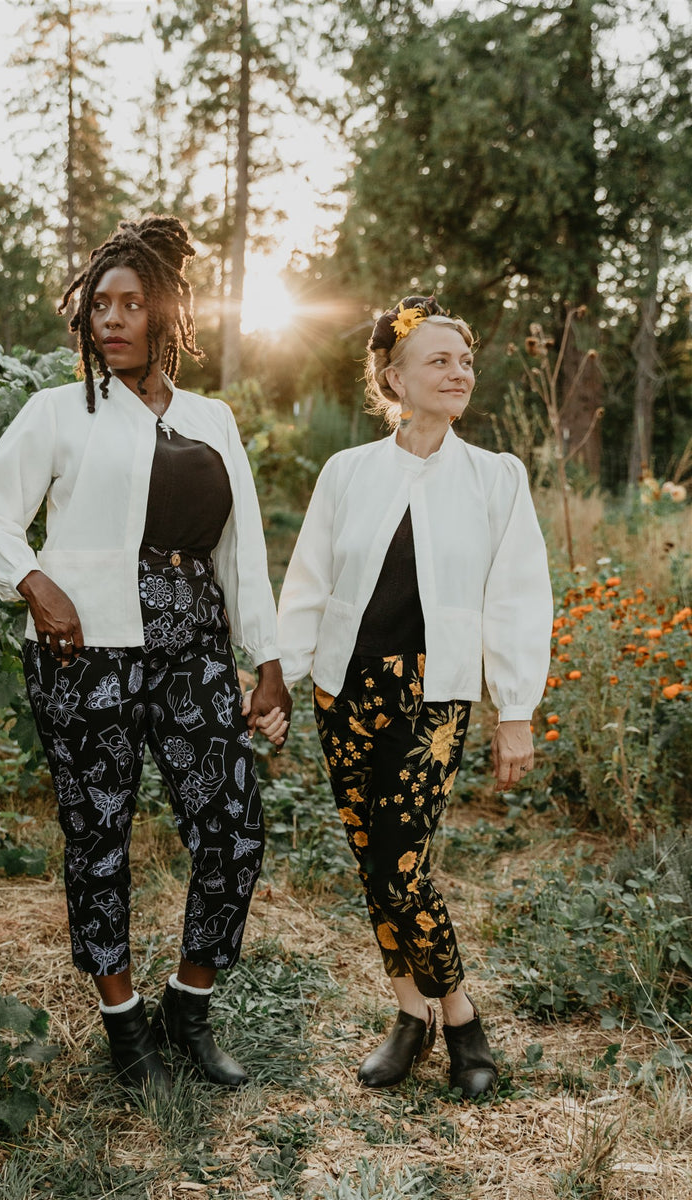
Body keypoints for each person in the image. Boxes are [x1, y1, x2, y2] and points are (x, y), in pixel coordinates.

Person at [0, 214, 291, 1099]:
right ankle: (123, 1025)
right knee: (97, 838)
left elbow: (242, 551)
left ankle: (190, 1004)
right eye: (99, 304)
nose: (111, 319)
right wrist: (34, 581)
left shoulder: (212, 419)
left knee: (232, 828)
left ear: (167, 314)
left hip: (193, 654)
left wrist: (267, 661)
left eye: (132, 303)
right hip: (83, 656)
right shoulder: (57, 412)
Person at [272, 296, 552, 1097]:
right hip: (346, 691)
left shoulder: (496, 479)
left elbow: (519, 596)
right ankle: (408, 1013)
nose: (459, 371)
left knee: (404, 864)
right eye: (440, 360)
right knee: (374, 862)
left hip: (437, 695)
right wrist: (283, 676)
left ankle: (460, 1019)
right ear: (393, 377)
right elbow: (311, 584)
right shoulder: (348, 473)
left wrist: (516, 709)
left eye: (465, 360)